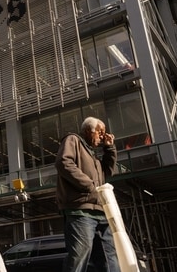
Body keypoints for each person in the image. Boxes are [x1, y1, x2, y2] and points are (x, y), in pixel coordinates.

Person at [55, 116, 120, 272]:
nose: (102, 136)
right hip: (80, 210)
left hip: (101, 211)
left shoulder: (94, 156)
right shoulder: (73, 140)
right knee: (79, 256)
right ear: (87, 131)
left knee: (109, 258)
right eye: (99, 132)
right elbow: (64, 162)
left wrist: (109, 148)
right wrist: (89, 186)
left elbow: (108, 172)